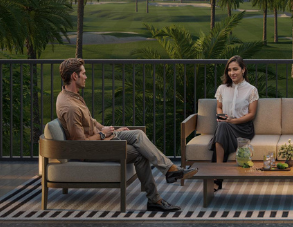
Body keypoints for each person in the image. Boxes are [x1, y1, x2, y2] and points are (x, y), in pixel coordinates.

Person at [55, 58, 197, 212]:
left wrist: (110, 130)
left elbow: (91, 121)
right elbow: (81, 144)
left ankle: (170, 171)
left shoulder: (73, 96)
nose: (86, 77)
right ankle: (157, 196)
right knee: (139, 153)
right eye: (83, 73)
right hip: (92, 149)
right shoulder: (69, 107)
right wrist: (103, 135)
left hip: (101, 139)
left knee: (137, 134)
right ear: (74, 76)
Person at [209, 55, 259, 191]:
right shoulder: (222, 88)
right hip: (226, 124)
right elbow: (219, 106)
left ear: (243, 70)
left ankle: (217, 176)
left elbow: (251, 114)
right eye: (229, 70)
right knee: (223, 126)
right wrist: (220, 115)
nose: (232, 73)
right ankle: (219, 174)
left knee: (222, 127)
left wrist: (233, 121)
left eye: (235, 69)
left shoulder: (251, 90)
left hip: (243, 127)